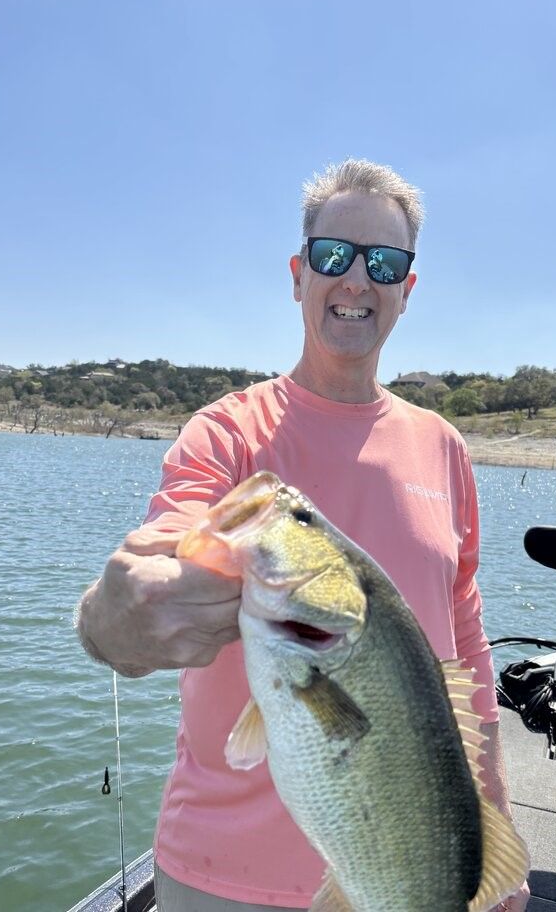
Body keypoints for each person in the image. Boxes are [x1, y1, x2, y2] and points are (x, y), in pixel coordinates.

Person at [75, 159, 530, 912]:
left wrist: (497, 823)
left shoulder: (444, 446)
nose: (357, 280)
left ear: (406, 291)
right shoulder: (226, 434)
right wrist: (113, 619)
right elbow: (162, 555)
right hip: (221, 875)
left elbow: (467, 642)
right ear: (298, 275)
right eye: (333, 256)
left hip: (411, 865)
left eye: (383, 263)